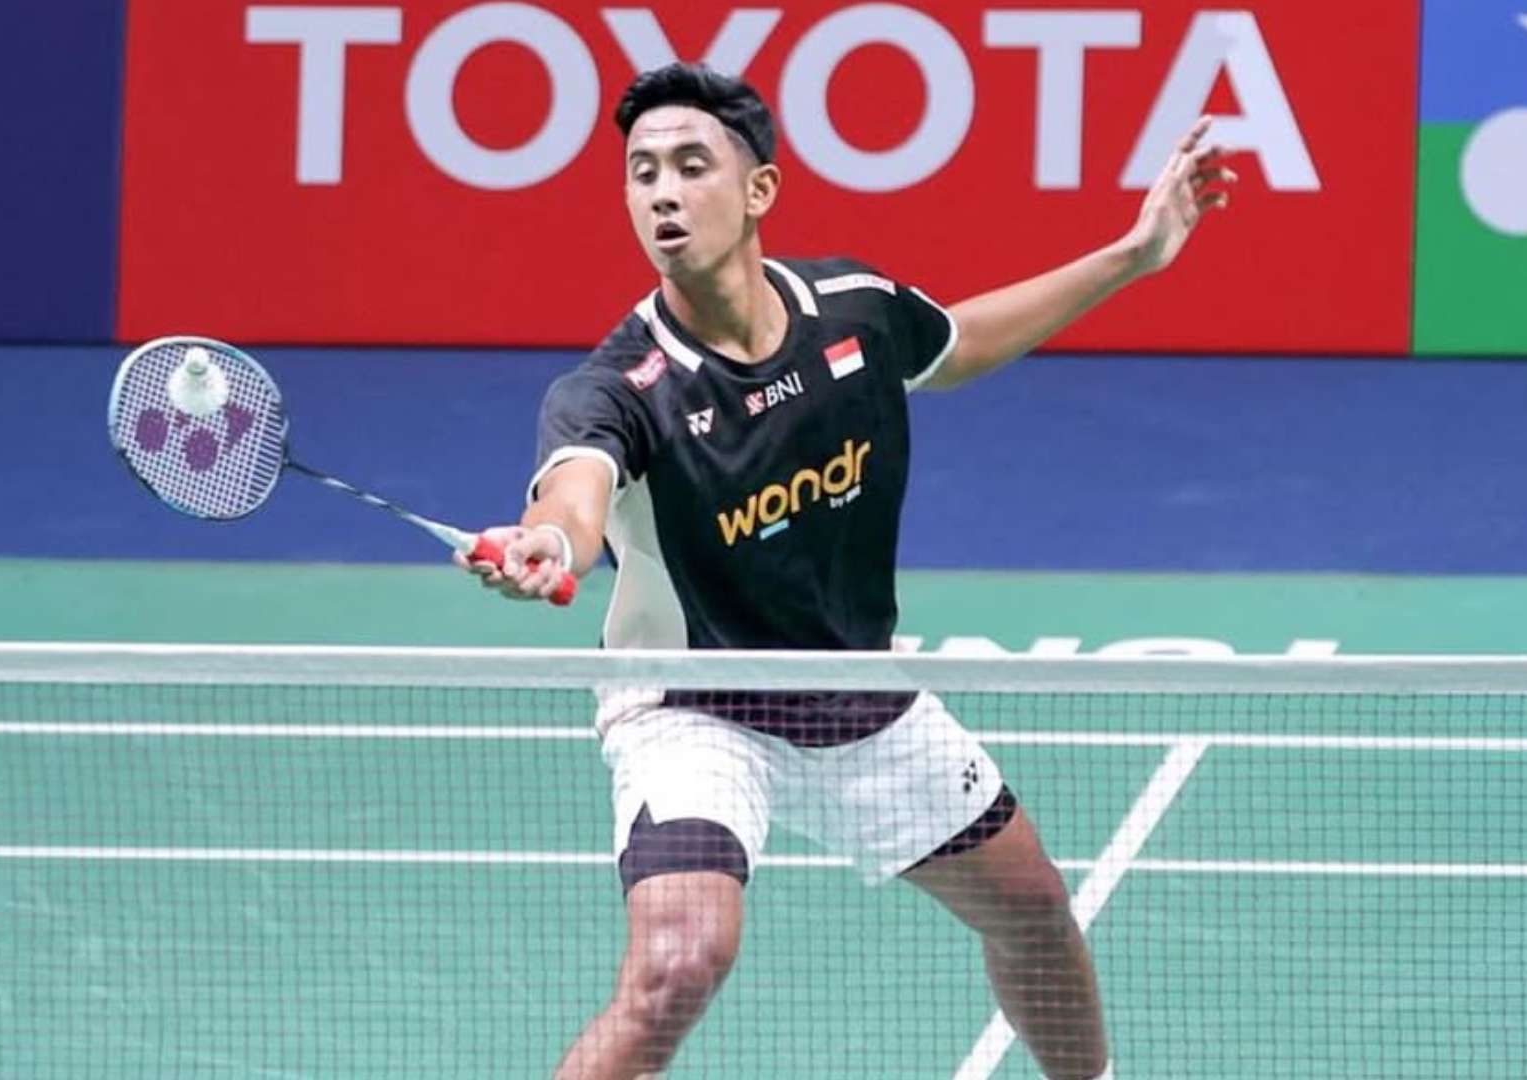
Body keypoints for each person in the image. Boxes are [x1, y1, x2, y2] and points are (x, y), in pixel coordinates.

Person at [458, 62, 1236, 1080]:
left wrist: (1132, 256)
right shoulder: (619, 387)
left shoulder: (852, 311)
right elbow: (575, 489)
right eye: (642, 172)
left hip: (852, 686)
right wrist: (551, 543)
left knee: (1036, 910)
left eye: (691, 165)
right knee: (677, 966)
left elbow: (956, 344)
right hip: (697, 704)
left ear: (759, 190)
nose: (662, 193)